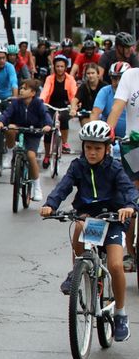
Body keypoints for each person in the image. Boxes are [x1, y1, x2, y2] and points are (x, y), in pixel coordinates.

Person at [41, 120, 138, 341]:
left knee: (114, 265)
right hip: (90, 218)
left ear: (107, 148)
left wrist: (129, 207)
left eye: (97, 148)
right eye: (88, 147)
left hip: (113, 218)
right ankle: (78, 269)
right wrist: (51, 204)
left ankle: (121, 314)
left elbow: (128, 189)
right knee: (78, 225)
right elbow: (63, 186)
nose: (92, 152)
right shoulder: (78, 166)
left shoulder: (114, 168)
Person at [0, 78, 56, 200]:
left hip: (34, 132)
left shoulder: (38, 103)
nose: (21, 90)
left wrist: (48, 125)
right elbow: (7, 114)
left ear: (33, 93)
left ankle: (37, 187)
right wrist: (0, 122)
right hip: (19, 129)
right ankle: (10, 151)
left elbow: (45, 115)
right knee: (10, 128)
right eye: (21, 88)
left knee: (31, 156)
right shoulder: (16, 103)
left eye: (25, 88)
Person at [42, 56, 79, 159]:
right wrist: (41, 101)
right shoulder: (50, 78)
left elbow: (74, 93)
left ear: (66, 67)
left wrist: (73, 107)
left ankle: (64, 143)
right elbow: (45, 91)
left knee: (63, 118)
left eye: (62, 66)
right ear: (54, 67)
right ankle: (47, 155)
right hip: (50, 105)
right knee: (48, 126)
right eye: (57, 66)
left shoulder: (70, 79)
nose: (59, 69)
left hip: (65, 106)